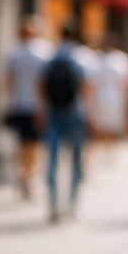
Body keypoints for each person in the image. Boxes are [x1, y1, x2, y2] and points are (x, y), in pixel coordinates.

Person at [42, 24, 91, 222]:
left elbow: (41, 85)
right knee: (76, 159)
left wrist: (43, 110)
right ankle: (73, 203)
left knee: (52, 158)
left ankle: (53, 203)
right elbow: (86, 87)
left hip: (54, 112)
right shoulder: (79, 57)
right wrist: (91, 113)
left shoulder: (51, 57)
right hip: (75, 113)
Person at [1, 16, 53, 199]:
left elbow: (8, 82)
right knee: (34, 144)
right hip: (36, 106)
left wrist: (6, 104)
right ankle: (27, 177)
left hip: (20, 104)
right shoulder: (45, 51)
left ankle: (24, 175)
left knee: (23, 143)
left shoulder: (13, 52)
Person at [92, 32, 128, 157]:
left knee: (111, 127)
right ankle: (104, 152)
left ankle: (108, 152)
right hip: (106, 99)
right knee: (102, 127)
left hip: (112, 99)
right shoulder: (120, 58)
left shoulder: (119, 58)